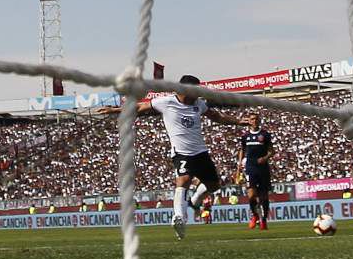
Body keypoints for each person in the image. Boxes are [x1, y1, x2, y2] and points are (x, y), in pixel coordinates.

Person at [98, 75, 249, 240]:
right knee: (183, 179)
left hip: (201, 152)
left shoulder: (199, 104)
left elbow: (217, 117)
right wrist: (115, 110)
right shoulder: (166, 102)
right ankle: (179, 218)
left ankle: (195, 200)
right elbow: (140, 107)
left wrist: (239, 122)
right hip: (181, 153)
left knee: (214, 186)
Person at [235, 113, 275, 231]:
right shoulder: (245, 136)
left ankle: (264, 220)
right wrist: (239, 167)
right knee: (251, 195)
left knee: (264, 196)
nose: (255, 121)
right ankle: (255, 215)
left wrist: (265, 158)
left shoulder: (265, 135)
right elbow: (242, 150)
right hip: (250, 167)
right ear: (249, 121)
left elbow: (272, 151)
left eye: (257, 119)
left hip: (263, 168)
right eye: (252, 119)